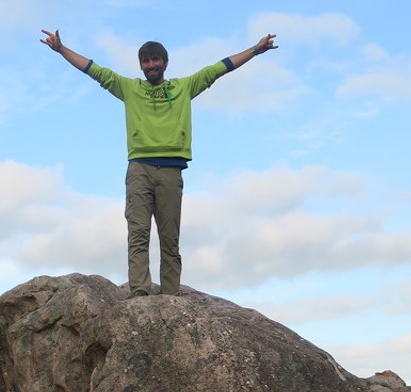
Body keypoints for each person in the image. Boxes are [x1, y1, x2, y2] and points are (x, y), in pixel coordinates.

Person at [40, 28, 277, 296]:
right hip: (139, 168)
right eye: (146, 61)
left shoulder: (183, 87)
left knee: (169, 239)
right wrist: (62, 49)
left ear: (165, 62)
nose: (151, 65)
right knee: (138, 234)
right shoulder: (129, 88)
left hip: (171, 171)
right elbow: (95, 71)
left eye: (156, 60)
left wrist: (255, 50)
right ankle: (140, 293)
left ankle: (170, 297)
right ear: (141, 65)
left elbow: (219, 69)